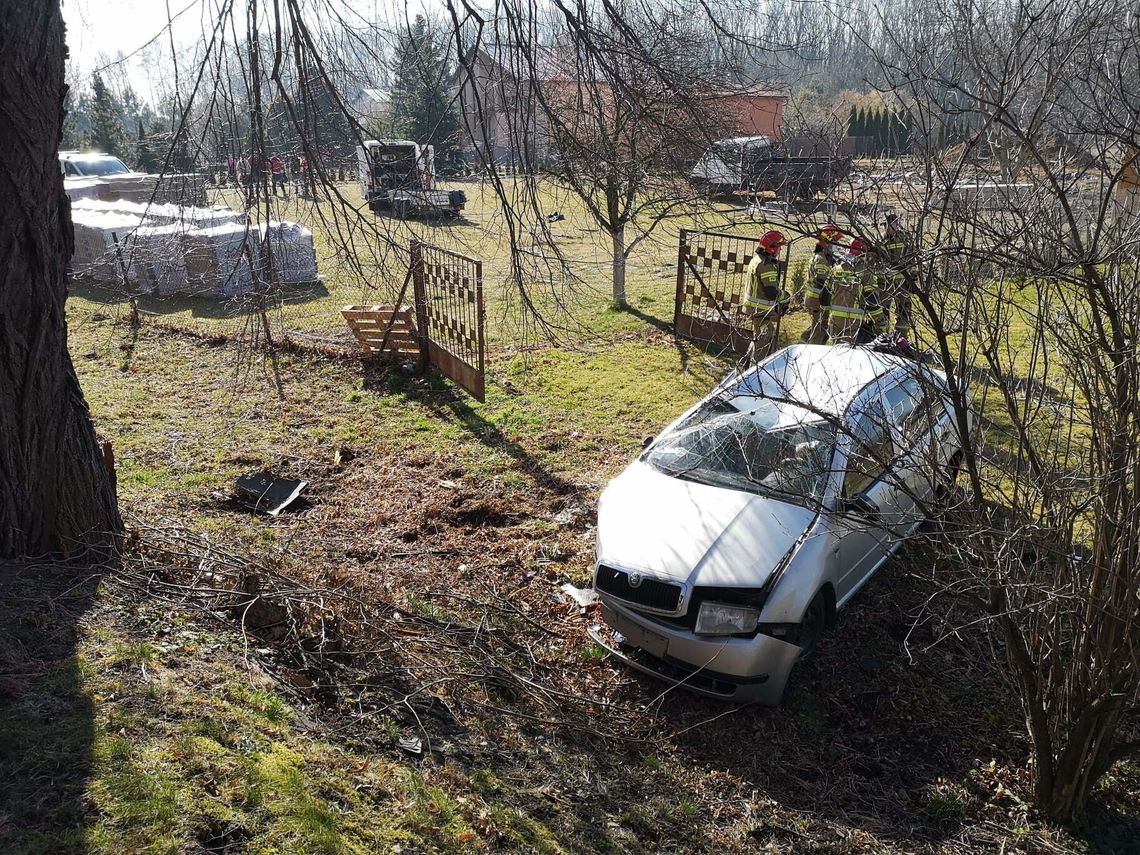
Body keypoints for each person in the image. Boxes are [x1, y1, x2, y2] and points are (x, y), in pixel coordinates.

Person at [744, 230, 788, 362]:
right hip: (761, 310)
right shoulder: (767, 265)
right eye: (779, 247)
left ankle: (744, 365)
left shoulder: (756, 260)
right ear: (772, 247)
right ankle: (754, 372)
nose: (780, 250)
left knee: (759, 338)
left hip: (755, 308)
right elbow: (771, 292)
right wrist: (785, 296)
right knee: (763, 342)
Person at [801, 224, 842, 345]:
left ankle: (802, 343)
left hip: (817, 301)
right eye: (835, 241)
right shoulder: (821, 260)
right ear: (827, 242)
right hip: (817, 301)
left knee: (818, 328)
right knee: (819, 332)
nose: (837, 245)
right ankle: (811, 353)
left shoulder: (826, 257)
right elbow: (822, 282)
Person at [827, 238, 871, 344]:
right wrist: (880, 323)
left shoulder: (835, 269)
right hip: (853, 320)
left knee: (835, 348)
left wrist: (824, 317)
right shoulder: (865, 272)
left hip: (835, 319)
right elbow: (871, 297)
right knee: (848, 353)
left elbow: (825, 295)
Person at [879, 213, 913, 338]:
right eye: (885, 225)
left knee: (904, 311)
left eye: (890, 224)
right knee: (883, 311)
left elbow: (912, 257)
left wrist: (912, 278)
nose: (887, 227)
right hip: (885, 283)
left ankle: (901, 337)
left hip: (903, 283)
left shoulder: (904, 238)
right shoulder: (880, 240)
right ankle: (883, 337)